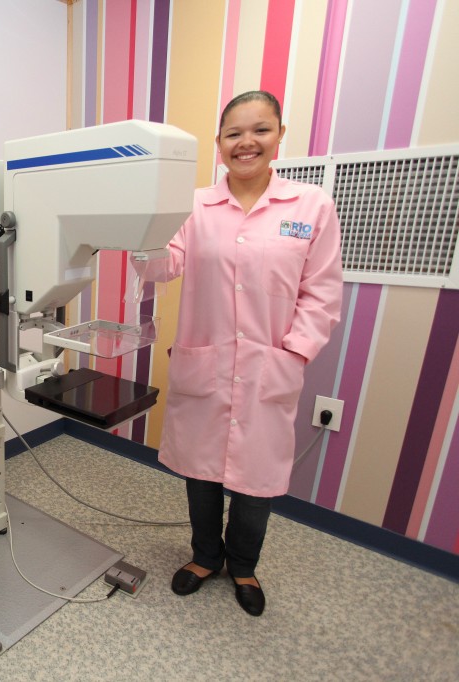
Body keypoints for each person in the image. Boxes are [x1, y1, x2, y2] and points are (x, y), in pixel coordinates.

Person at [134, 91, 343, 616]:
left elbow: (321, 294)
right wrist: (138, 227)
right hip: (207, 364)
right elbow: (163, 266)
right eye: (234, 133)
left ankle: (244, 566)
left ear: (279, 135)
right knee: (201, 473)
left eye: (260, 130)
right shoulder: (193, 206)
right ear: (219, 143)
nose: (246, 142)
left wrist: (293, 354)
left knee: (257, 482)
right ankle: (205, 557)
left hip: (270, 367)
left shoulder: (310, 206)